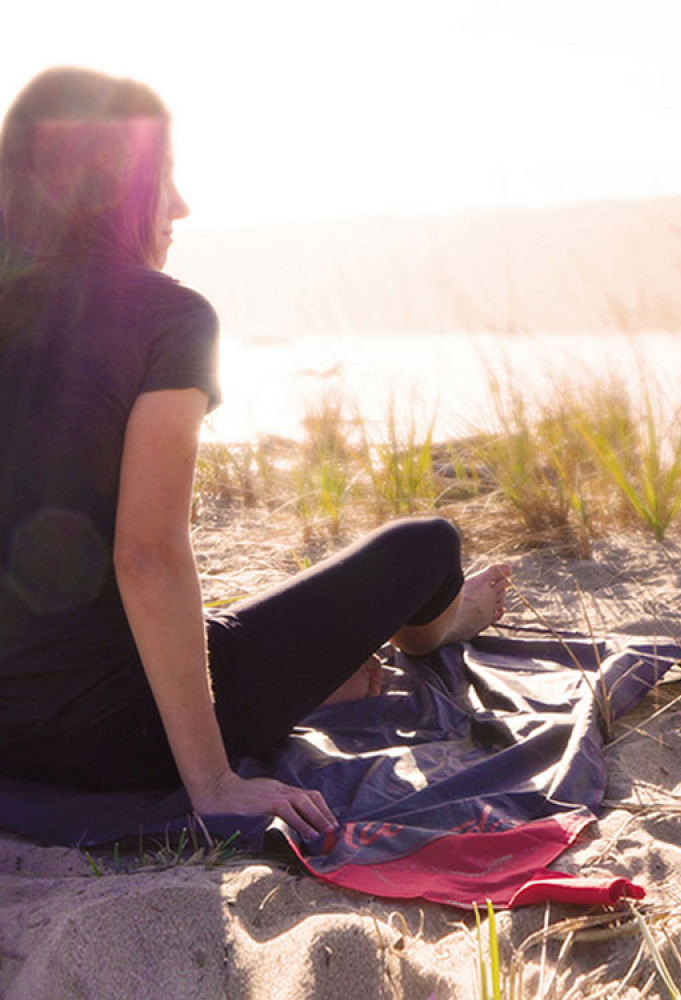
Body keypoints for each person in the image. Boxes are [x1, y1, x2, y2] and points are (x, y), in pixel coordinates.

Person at [0, 67, 509, 840]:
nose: (180, 206)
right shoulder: (170, 319)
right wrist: (212, 782)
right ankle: (440, 628)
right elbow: (148, 555)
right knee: (428, 545)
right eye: (164, 177)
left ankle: (323, 677)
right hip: (112, 741)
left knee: (201, 632)